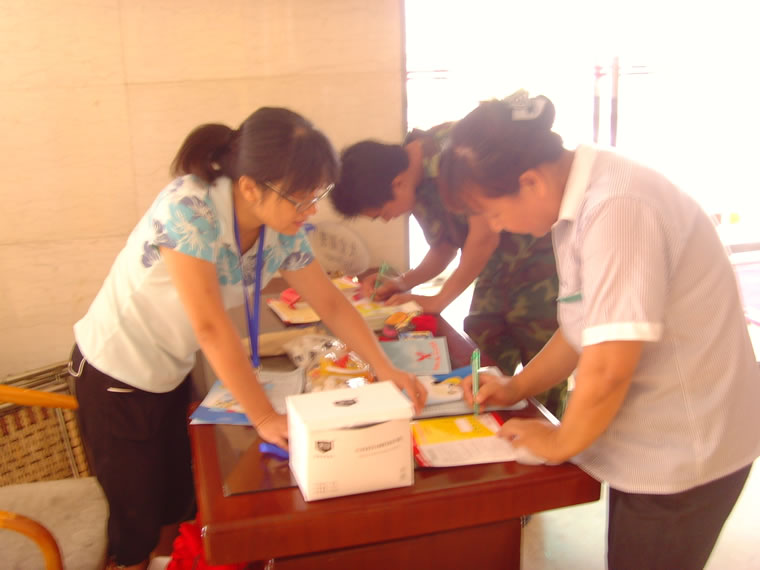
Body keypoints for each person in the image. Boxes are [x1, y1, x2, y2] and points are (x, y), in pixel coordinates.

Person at [69, 107, 426, 570]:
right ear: (251, 187)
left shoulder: (281, 227)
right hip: (115, 374)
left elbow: (331, 304)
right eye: (301, 198)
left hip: (169, 370)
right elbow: (210, 326)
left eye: (317, 195)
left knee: (176, 507)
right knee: (135, 527)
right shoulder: (189, 208)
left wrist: (385, 368)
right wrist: (262, 416)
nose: (311, 211)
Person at [440, 92, 760, 569]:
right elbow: (583, 327)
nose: (495, 226)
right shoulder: (581, 200)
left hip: (686, 445)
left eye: (492, 211)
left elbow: (609, 364)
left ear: (530, 182)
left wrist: (560, 441)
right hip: (655, 432)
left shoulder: (618, 207)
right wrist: (517, 387)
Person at [331, 119, 566, 417]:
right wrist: (403, 282)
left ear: (397, 184)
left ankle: (552, 432)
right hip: (495, 270)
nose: (387, 220)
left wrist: (439, 300)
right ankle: (492, 425)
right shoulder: (413, 185)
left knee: (543, 363)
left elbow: (484, 238)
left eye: (383, 213)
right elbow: (444, 246)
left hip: (539, 263)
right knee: (481, 353)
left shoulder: (455, 154)